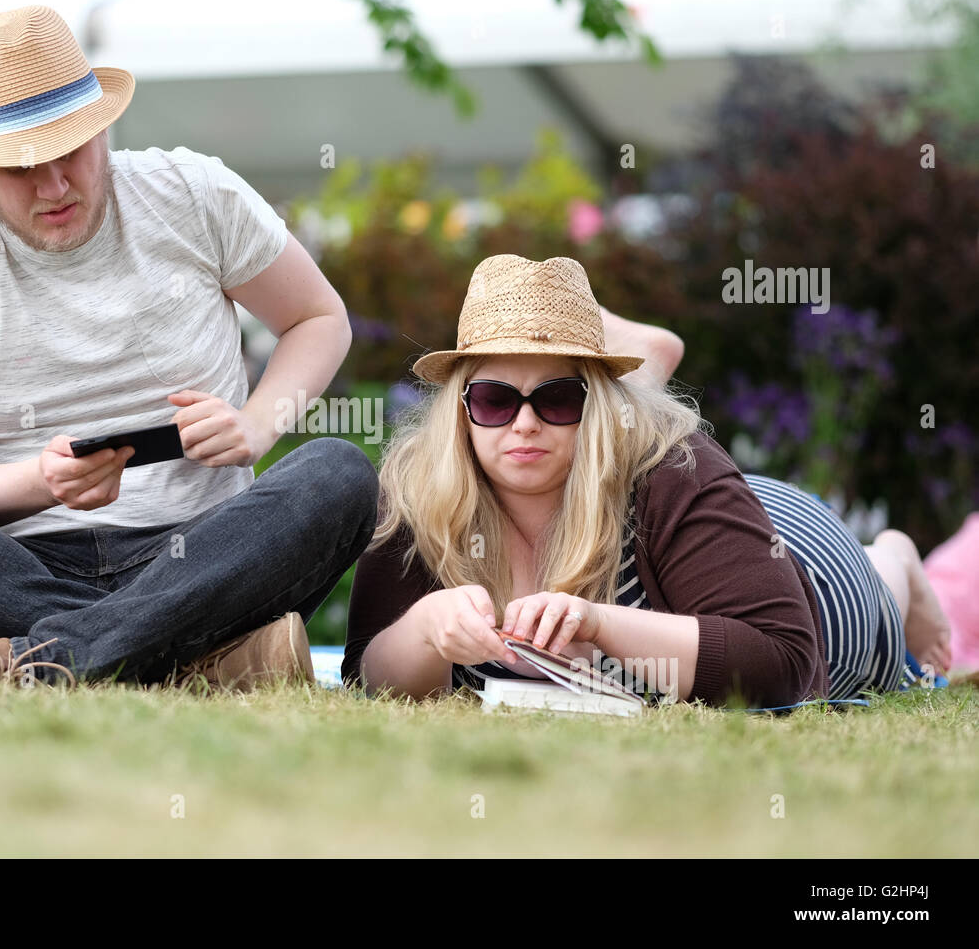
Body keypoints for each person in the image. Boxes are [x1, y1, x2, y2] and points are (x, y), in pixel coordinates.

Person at [0, 4, 378, 692]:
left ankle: (28, 659)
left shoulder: (194, 192)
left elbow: (319, 317)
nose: (53, 186)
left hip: (200, 549)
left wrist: (257, 424)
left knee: (338, 474)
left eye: (70, 152)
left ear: (102, 126)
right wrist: (38, 482)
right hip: (19, 564)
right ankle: (187, 657)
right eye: (20, 168)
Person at [344, 254, 950, 707]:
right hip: (702, 530)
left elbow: (787, 662)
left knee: (867, 614)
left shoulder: (677, 468)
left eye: (558, 398)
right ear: (460, 408)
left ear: (598, 407)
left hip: (802, 560)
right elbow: (365, 675)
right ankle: (636, 373)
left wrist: (602, 626)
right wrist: (427, 631)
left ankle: (894, 560)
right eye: (496, 400)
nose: (524, 424)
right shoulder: (420, 486)